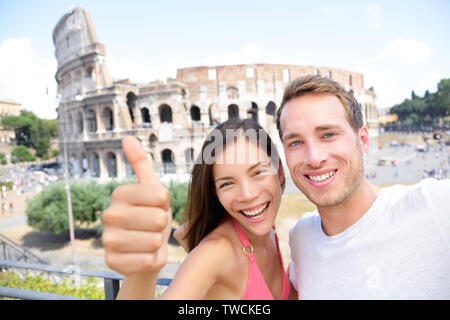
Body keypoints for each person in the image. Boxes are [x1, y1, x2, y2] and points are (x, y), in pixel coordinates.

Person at [276, 75, 450, 299]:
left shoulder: (435, 205)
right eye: (296, 142)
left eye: (328, 134)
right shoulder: (301, 237)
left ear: (363, 139)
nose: (314, 158)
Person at [102, 119, 296, 299]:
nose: (247, 195)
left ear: (278, 172)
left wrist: (187, 237)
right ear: (216, 193)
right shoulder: (215, 253)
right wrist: (141, 274)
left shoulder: (267, 232)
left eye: (258, 172)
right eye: (227, 184)